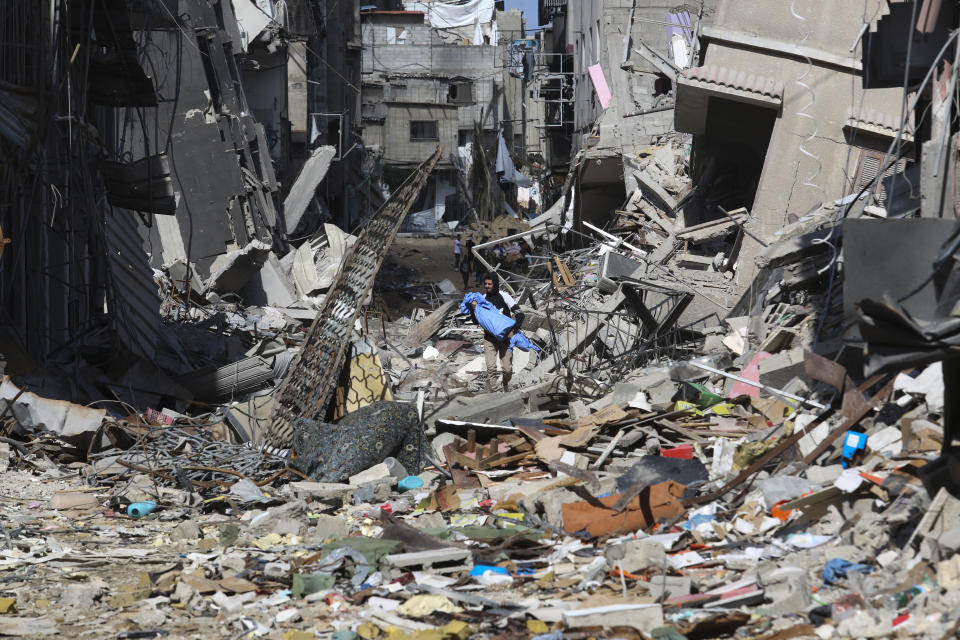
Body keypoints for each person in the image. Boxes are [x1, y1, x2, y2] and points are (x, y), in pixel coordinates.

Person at [469, 273, 525, 392]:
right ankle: (494, 392)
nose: (487, 286)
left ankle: (505, 385)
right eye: (486, 284)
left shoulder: (504, 296)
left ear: (495, 284)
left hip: (505, 339)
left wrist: (513, 331)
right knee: (491, 367)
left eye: (490, 284)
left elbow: (520, 314)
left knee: (507, 369)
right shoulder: (482, 299)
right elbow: (475, 321)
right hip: (490, 339)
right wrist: (472, 309)